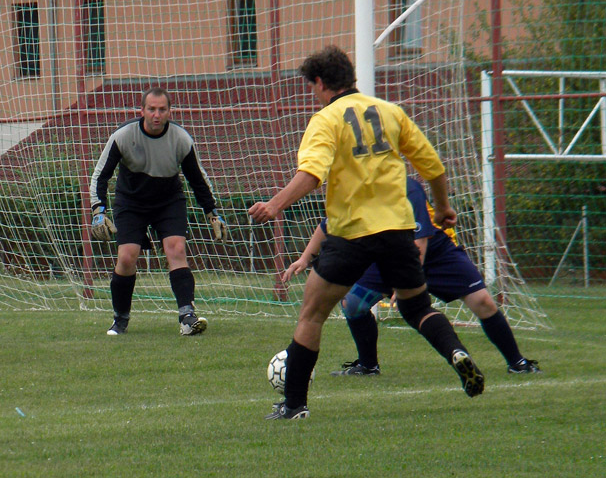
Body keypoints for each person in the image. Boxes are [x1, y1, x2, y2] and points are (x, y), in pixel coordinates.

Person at [248, 45, 484, 420]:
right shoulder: (391, 112)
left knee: (311, 314)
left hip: (352, 233)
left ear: (321, 82)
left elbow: (311, 175)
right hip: (398, 231)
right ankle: (457, 352)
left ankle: (293, 406)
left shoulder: (326, 119)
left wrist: (274, 205)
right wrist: (442, 208)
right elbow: (433, 167)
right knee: (417, 306)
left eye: (312, 86)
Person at [283, 176, 541, 377]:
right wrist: (305, 258)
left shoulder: (408, 188)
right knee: (353, 304)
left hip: (434, 250)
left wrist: (403, 283)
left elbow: (420, 244)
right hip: (386, 251)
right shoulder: (354, 187)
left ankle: (517, 362)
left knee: (482, 301)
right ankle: (368, 366)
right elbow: (329, 224)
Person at [89, 87, 227, 336]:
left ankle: (187, 317)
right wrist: (98, 209)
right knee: (127, 257)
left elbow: (198, 178)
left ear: (169, 112)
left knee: (176, 248)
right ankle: (120, 319)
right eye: (151, 109)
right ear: (141, 111)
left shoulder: (181, 139)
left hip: (168, 200)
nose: (156, 114)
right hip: (130, 202)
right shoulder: (123, 136)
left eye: (162, 109)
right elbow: (101, 174)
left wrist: (212, 211)